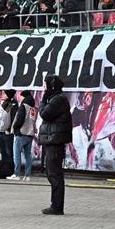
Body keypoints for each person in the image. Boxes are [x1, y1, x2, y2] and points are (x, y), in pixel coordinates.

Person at [37, 75, 72, 215]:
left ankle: (57, 206)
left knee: (54, 174)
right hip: (51, 140)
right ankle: (55, 204)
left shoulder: (57, 100)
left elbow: (45, 114)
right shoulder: (56, 99)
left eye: (44, 85)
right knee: (52, 173)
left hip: (54, 141)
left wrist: (43, 100)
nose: (43, 88)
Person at [8, 90, 37, 181]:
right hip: (30, 134)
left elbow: (19, 119)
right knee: (28, 155)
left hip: (21, 134)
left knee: (16, 154)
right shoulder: (33, 108)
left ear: (24, 97)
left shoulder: (23, 106)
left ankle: (17, 174)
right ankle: (27, 175)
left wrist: (15, 128)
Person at [0, 90, 17, 176]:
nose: (2, 95)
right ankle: (4, 170)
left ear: (8, 95)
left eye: (4, 93)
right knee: (3, 152)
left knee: (8, 152)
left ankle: (10, 170)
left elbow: (14, 119)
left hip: (7, 133)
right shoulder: (2, 104)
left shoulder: (12, 105)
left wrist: (9, 129)